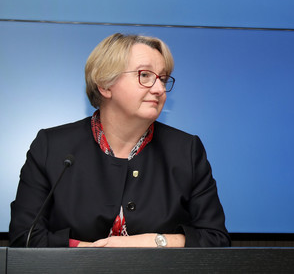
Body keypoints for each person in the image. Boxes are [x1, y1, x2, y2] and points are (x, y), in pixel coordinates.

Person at [10, 33, 230, 247]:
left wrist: (155, 241)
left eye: (162, 78)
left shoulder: (186, 150)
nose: (159, 89)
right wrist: (91, 253)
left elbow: (215, 239)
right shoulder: (52, 147)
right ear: (105, 85)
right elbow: (24, 237)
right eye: (145, 75)